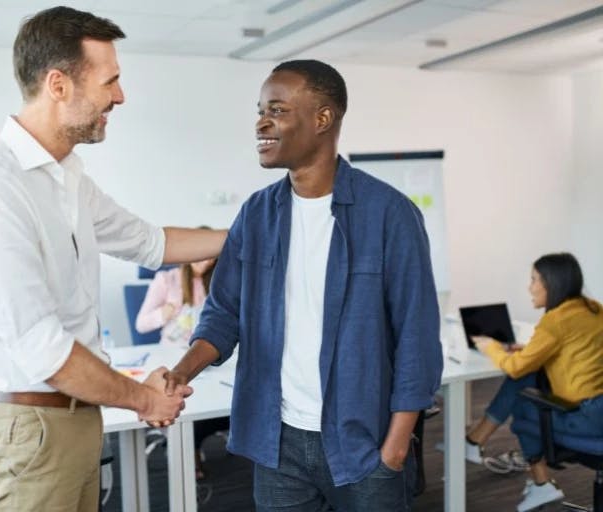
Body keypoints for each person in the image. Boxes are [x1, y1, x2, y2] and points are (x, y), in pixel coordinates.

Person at [0, 7, 226, 511]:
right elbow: (42, 348)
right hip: (23, 432)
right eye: (110, 81)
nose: (120, 96)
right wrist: (145, 399)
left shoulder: (66, 176)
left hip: (74, 420)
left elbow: (150, 243)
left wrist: (254, 231)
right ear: (58, 85)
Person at [156, 60, 443, 511]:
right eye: (259, 110)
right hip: (278, 443)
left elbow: (417, 337)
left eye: (278, 110)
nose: (261, 122)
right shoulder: (256, 214)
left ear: (322, 119)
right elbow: (223, 314)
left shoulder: (390, 214)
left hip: (363, 444)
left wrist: (396, 446)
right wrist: (180, 372)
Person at [468, 252, 603, 512]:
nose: (529, 287)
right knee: (529, 381)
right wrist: (530, 349)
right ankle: (475, 443)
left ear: (551, 283)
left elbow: (516, 368)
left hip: (588, 419)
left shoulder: (555, 320)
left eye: (533, 280)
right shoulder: (596, 309)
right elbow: (576, 349)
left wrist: (491, 347)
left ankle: (540, 483)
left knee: (523, 410)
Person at [135, 252, 230, 479]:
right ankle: (187, 454)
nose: (205, 261)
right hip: (171, 355)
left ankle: (195, 442)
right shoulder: (167, 280)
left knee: (224, 399)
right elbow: (141, 324)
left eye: (211, 259)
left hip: (208, 357)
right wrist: (164, 313)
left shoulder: (219, 282)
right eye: (201, 255)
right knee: (184, 399)